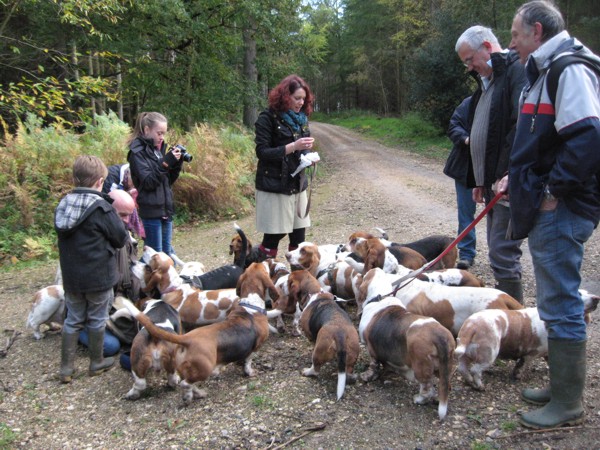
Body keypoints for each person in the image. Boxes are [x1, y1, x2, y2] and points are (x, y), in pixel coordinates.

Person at [496, 0, 600, 429]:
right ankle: (561, 389)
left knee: (559, 302)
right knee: (555, 300)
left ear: (536, 31)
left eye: (516, 34)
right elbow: (541, 140)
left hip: (561, 207)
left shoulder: (567, 68)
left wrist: (553, 191)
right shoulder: (545, 68)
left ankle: (569, 404)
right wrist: (514, 176)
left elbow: (588, 136)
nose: (512, 43)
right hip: (545, 201)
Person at [454, 25, 527, 302]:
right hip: (491, 183)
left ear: (487, 46)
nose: (470, 67)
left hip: (507, 182)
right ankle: (511, 315)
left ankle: (515, 322)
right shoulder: (486, 82)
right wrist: (480, 180)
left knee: (502, 250)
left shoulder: (513, 72)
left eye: (470, 59)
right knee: (498, 250)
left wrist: (509, 172)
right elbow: (486, 133)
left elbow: (517, 127)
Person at [54, 155, 129, 383]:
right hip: (98, 277)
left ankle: (66, 368)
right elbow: (120, 238)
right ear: (99, 181)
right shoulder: (101, 208)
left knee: (73, 319)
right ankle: (96, 362)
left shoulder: (63, 205)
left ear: (74, 179)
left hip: (72, 278)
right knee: (97, 319)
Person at [254, 74, 316, 259]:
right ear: (284, 96)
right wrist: (293, 147)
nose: (300, 102)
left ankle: (295, 283)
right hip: (275, 185)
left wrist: (309, 156)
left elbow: (302, 150)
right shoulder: (267, 118)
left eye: (303, 99)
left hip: (297, 184)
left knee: (299, 237)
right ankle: (261, 276)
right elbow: (262, 152)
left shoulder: (301, 120)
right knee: (273, 236)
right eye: (297, 98)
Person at [77, 189, 139, 357]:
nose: (126, 220)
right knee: (111, 346)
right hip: (95, 311)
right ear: (108, 212)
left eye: (129, 215)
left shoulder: (126, 238)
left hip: (117, 303)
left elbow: (130, 275)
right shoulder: (91, 243)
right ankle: (79, 331)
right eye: (122, 215)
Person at [127, 112, 183, 255]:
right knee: (155, 257)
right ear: (146, 130)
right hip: (151, 211)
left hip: (165, 209)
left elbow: (167, 181)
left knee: (167, 255)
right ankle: (136, 275)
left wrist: (176, 164)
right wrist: (165, 163)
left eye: (164, 134)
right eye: (159, 133)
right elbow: (148, 183)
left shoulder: (158, 150)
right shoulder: (137, 153)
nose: (162, 137)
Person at [444, 96, 477, 269]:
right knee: (466, 213)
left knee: (498, 216)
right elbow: (453, 126)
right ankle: (466, 253)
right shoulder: (468, 103)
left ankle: (501, 258)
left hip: (496, 169)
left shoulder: (504, 101)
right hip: (466, 167)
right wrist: (467, 139)